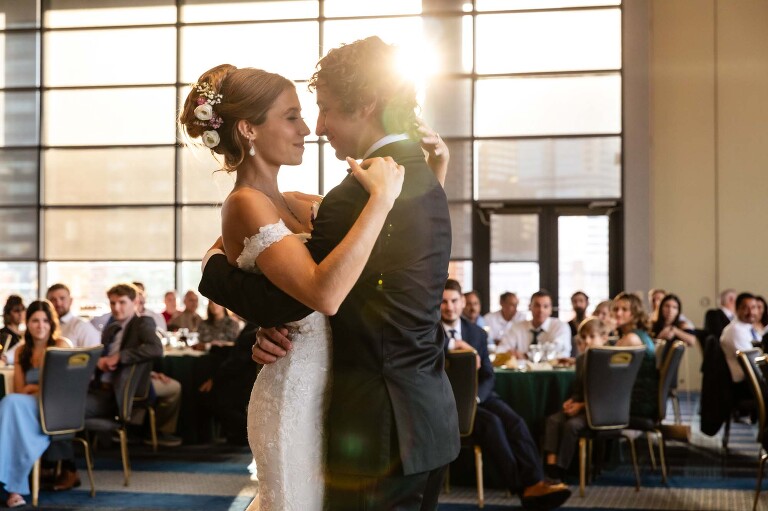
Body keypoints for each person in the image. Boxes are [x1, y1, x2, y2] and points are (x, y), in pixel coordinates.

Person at [197, 37, 456, 511]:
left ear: (367, 105)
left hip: (373, 418)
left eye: (319, 110)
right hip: (405, 413)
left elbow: (307, 295)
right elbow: (313, 292)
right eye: (292, 116)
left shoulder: (346, 197)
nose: (312, 128)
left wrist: (216, 272)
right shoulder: (401, 182)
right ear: (248, 130)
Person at [442, 280, 571, 509]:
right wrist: (454, 343)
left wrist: (477, 398)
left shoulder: (477, 333)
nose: (449, 307)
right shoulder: (428, 331)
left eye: (453, 301)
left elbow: (489, 375)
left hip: (479, 397)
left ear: (462, 302)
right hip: (447, 401)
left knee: (516, 422)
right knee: (493, 424)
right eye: (443, 302)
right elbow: (431, 349)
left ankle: (536, 480)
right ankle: (522, 488)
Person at [0, 300, 70, 508]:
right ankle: (14, 490)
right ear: (27, 324)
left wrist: (35, 388)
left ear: (52, 323)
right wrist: (37, 387)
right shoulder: (22, 351)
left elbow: (64, 388)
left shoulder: (61, 346)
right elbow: (21, 389)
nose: (40, 326)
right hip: (27, 405)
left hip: (55, 408)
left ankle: (11, 487)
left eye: (45, 321)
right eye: (35, 321)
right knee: (11, 406)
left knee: (10, 407)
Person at [85, 284, 163, 445]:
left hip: (116, 394)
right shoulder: (111, 329)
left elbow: (156, 349)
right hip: (98, 388)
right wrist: (99, 362)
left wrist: (120, 357)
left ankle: (64, 463)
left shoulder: (142, 323)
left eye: (121, 302)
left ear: (135, 303)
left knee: (65, 408)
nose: (116, 308)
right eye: (112, 303)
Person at [543, 317, 610, 481]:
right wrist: (572, 401)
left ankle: (561, 469)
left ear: (604, 338)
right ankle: (550, 468)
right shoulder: (581, 360)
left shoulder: (609, 360)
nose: (587, 341)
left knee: (571, 425)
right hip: (580, 407)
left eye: (592, 337)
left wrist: (581, 406)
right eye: (584, 337)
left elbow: (607, 395)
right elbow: (578, 390)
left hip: (600, 411)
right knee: (553, 420)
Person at [613, 292, 658, 419]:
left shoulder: (632, 338)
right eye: (616, 309)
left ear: (635, 313)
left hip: (637, 402)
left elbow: (608, 372)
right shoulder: (638, 334)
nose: (618, 313)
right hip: (638, 397)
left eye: (624, 309)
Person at [498, 290, 572, 359]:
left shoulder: (560, 326)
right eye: (537, 305)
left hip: (553, 372)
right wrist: (509, 354)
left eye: (545, 306)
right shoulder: (517, 327)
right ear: (530, 307)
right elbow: (501, 350)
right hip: (521, 372)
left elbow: (559, 351)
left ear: (551, 310)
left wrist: (525, 355)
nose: (541, 310)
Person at [720, 292, 760, 398]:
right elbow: (753, 363)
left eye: (754, 307)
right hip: (745, 385)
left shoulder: (748, 328)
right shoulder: (736, 330)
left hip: (753, 380)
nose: (751, 312)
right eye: (746, 308)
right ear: (737, 309)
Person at [46, 283, 101, 348]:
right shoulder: (44, 326)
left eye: (62, 298)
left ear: (71, 301)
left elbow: (93, 354)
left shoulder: (82, 326)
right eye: (53, 299)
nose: (58, 303)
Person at [0, 295, 25, 363]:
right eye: (16, 310)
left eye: (23, 309)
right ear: (8, 313)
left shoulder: (26, 334)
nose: (20, 313)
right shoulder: (2, 334)